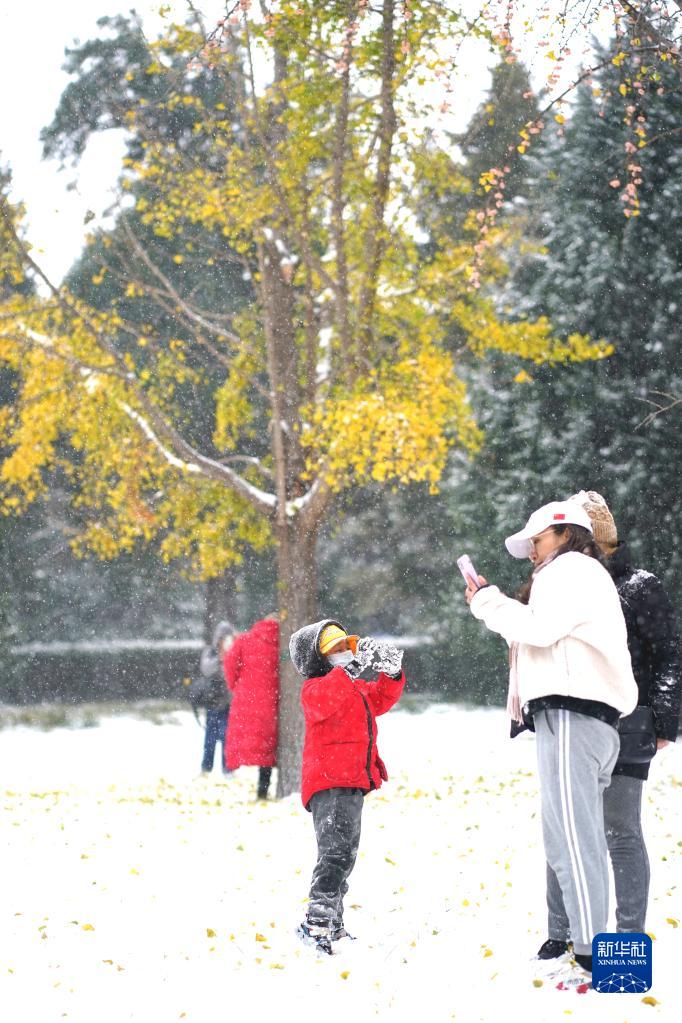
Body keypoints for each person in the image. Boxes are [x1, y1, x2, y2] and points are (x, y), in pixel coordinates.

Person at [464, 501, 637, 987]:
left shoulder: (572, 570)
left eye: (535, 542)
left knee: (575, 842)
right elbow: (543, 641)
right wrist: (499, 611)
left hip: (572, 713)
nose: (532, 554)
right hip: (584, 716)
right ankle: (590, 953)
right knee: (569, 839)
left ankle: (590, 959)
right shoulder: (581, 575)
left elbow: (538, 630)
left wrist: (488, 603)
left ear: (562, 534)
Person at [536, 491, 682, 957]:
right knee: (566, 829)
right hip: (574, 715)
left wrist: (663, 720)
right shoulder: (558, 584)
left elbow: (668, 656)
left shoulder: (637, 586)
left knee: (617, 830)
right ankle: (561, 932)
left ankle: (627, 938)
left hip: (629, 720)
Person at [289, 620, 405, 955]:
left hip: (352, 780)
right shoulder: (315, 689)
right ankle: (316, 922)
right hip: (330, 781)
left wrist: (392, 674)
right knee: (334, 854)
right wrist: (351, 670)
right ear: (320, 660)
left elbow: (380, 699)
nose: (344, 654)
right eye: (336, 651)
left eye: (346, 647)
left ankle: (332, 924)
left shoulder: (352, 687)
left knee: (345, 855)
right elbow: (325, 700)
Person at [222, 614, 279, 800]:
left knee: (249, 742)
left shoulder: (245, 640)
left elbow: (230, 665)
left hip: (248, 699)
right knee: (268, 749)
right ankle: (263, 790)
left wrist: (235, 687)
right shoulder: (284, 643)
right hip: (274, 701)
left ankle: (229, 773)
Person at [199, 620, 235, 776]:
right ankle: (206, 768)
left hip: (229, 702)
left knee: (228, 737)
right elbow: (206, 669)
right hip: (213, 701)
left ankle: (227, 769)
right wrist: (221, 658)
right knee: (210, 739)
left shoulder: (235, 652)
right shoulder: (210, 652)